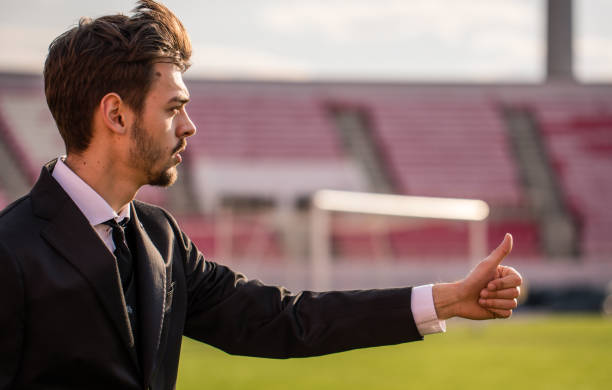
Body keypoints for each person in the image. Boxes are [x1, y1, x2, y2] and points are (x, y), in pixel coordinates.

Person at [0, 1, 522, 389]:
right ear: (116, 115)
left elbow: (283, 321)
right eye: (172, 108)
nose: (189, 126)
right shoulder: (11, 250)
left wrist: (448, 299)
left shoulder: (160, 238)